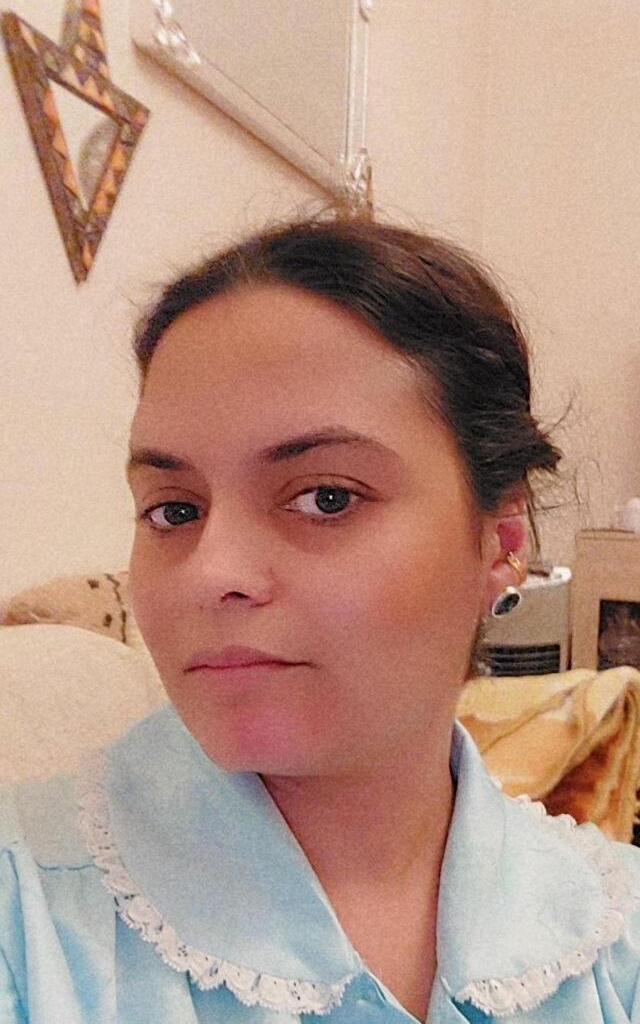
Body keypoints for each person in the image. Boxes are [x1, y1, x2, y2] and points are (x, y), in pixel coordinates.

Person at [2, 211, 640, 1024]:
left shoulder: (613, 941)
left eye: (326, 497)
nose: (212, 572)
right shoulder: (27, 921)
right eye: (174, 510)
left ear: (503, 541)